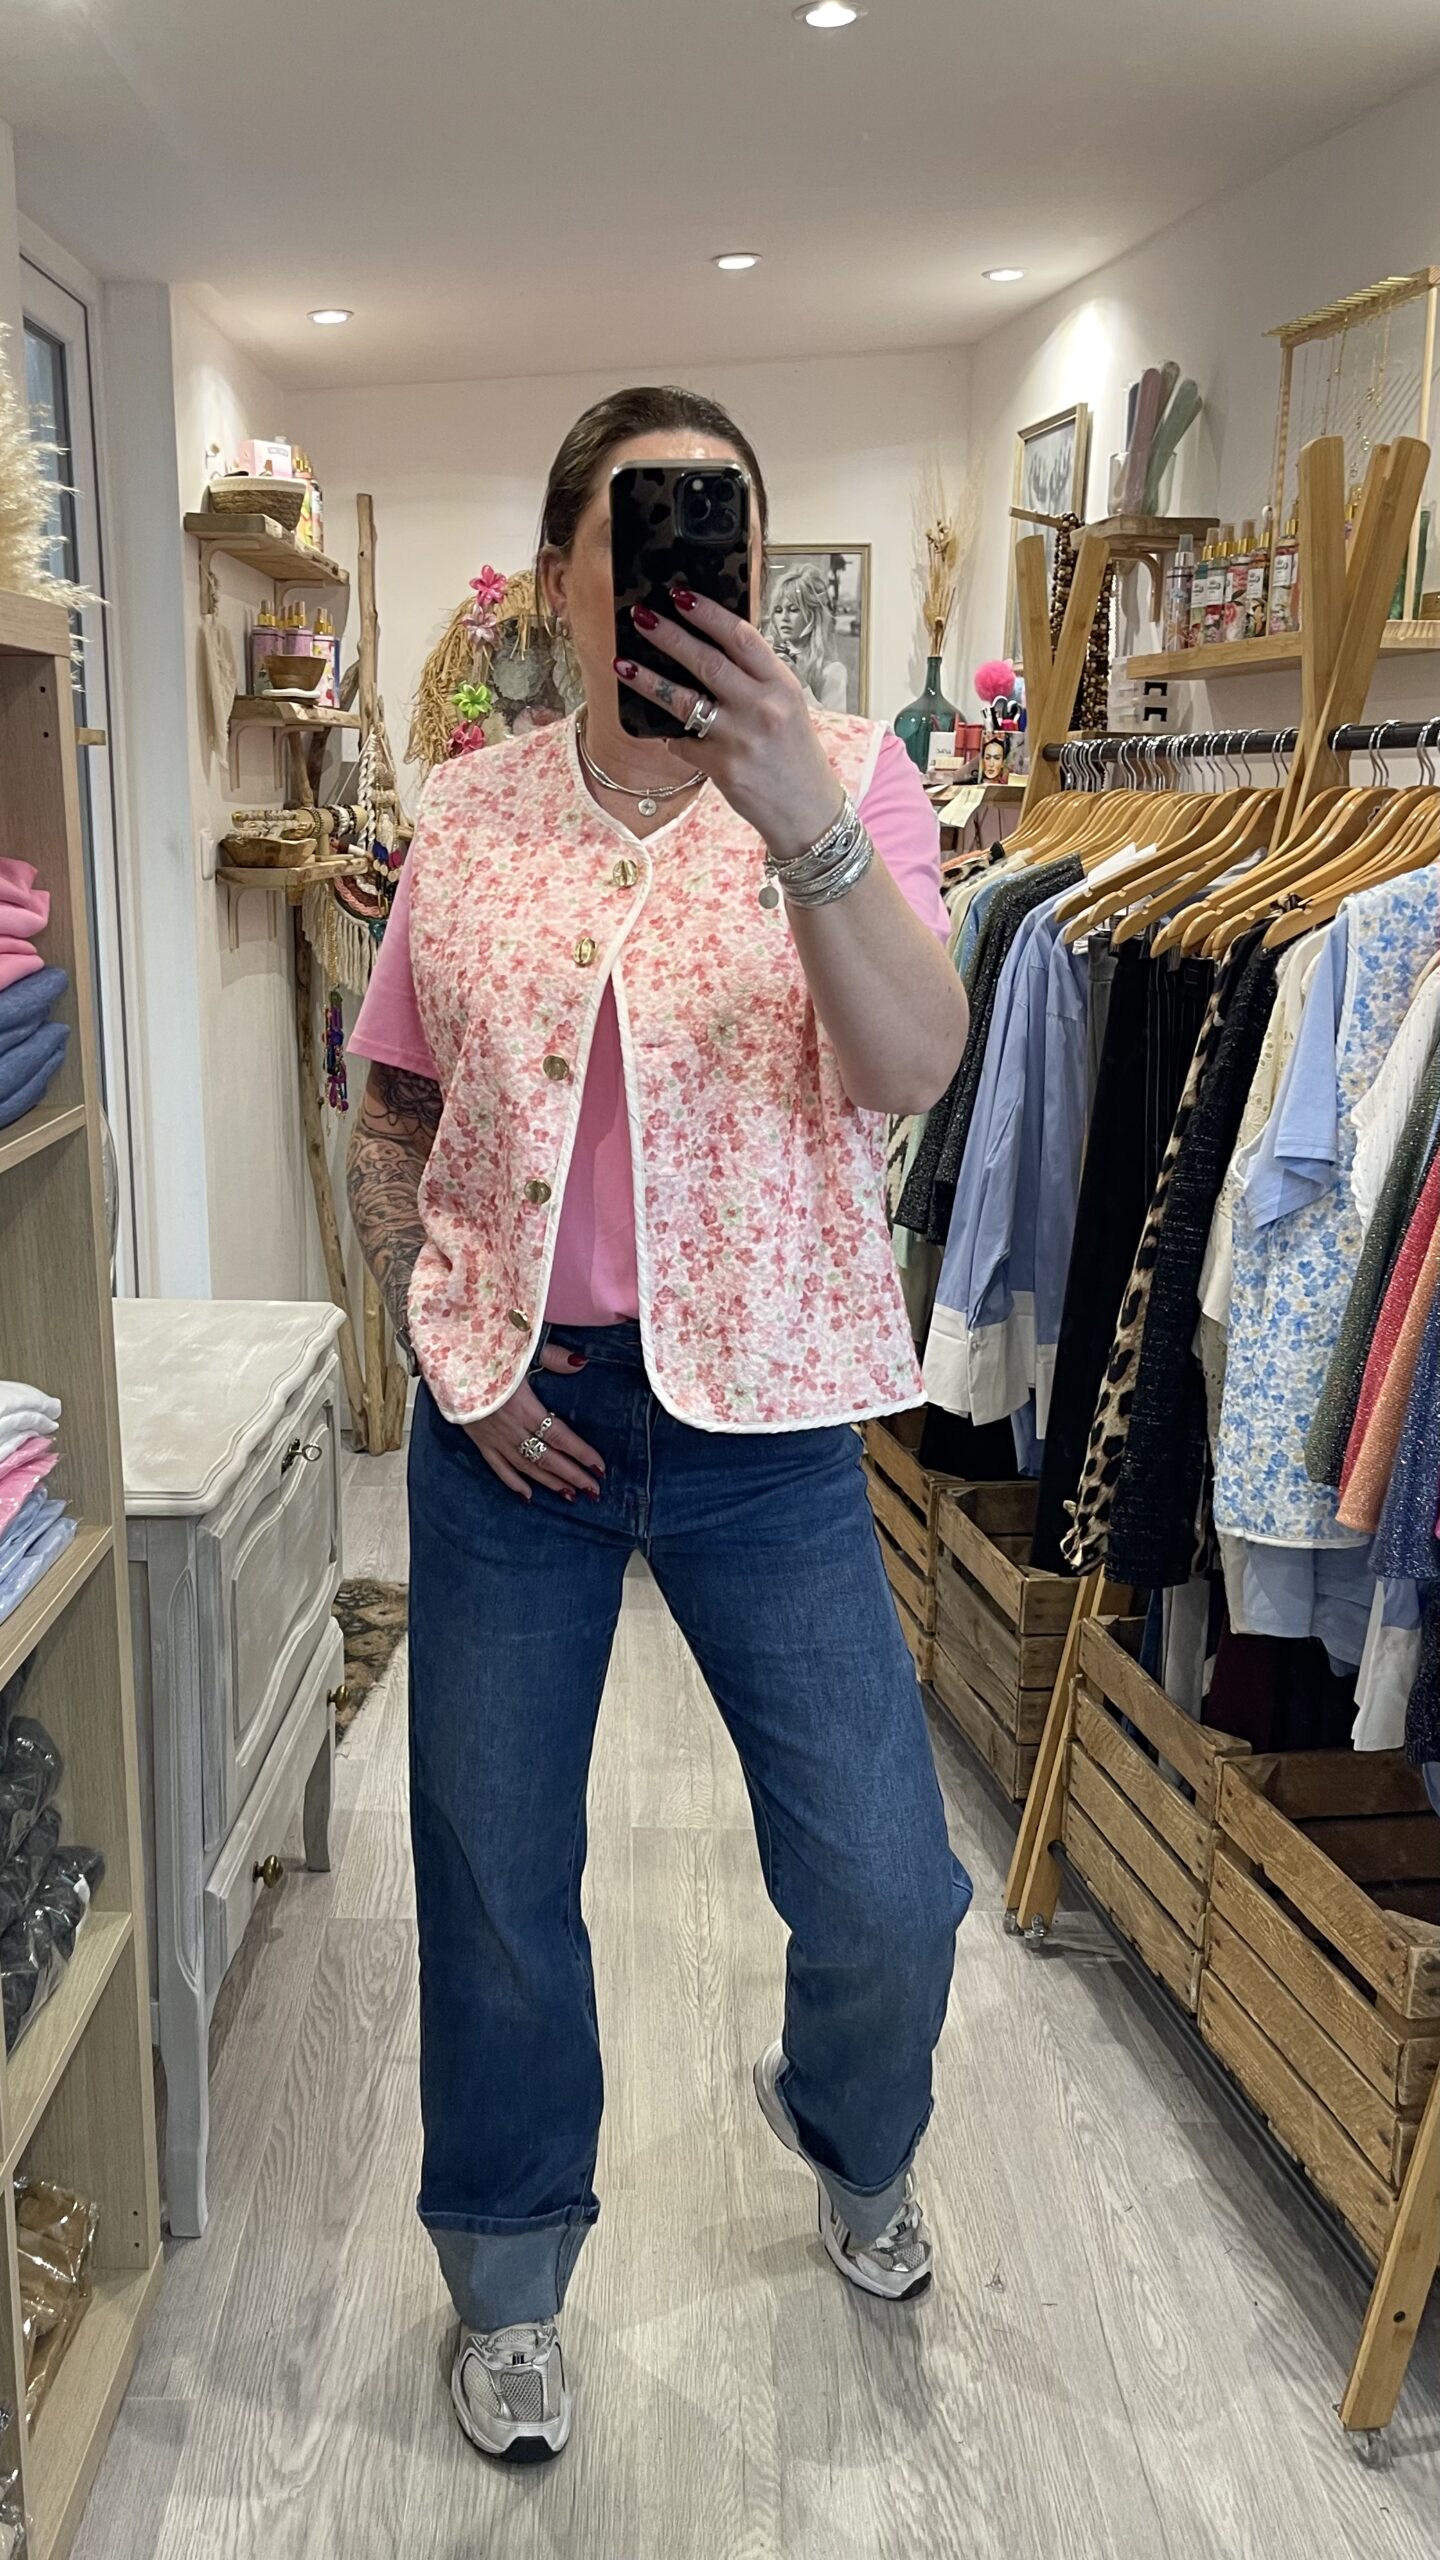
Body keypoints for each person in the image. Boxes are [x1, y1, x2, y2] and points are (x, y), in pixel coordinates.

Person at [347, 384, 971, 2467]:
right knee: (493, 1871)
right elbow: (396, 1113)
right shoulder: (468, 814)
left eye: (726, 537)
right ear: (562, 581)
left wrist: (799, 822)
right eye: (646, 535)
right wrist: (450, 1352)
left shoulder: (855, 779)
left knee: (886, 1885)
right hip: (514, 1423)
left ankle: (852, 2127)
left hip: (766, 1421)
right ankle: (510, 2274)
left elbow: (910, 1068)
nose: (695, 574)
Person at [764, 559, 850, 710]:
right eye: (778, 610)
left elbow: (831, 722)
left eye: (793, 609)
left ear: (811, 615)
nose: (784, 617)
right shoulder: (769, 662)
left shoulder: (832, 672)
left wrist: (801, 685)